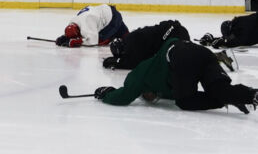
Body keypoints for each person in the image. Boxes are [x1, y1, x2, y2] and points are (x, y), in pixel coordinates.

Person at [94, 37, 258, 113]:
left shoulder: (140, 74)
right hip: (203, 53)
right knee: (220, 90)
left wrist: (106, 94)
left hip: (181, 56)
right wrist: (229, 97)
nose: (153, 98)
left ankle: (226, 99)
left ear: (144, 91)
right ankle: (251, 95)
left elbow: (123, 96)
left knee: (185, 101)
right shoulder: (165, 90)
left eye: (148, 97)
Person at [103, 20, 196, 70]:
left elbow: (133, 63)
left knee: (182, 58)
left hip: (173, 35)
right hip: (175, 30)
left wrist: (117, 61)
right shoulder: (131, 38)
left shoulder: (131, 42)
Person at [55, 4, 128, 47]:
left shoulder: (86, 23)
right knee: (127, 36)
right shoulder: (74, 21)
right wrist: (64, 37)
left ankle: (113, 35)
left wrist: (77, 42)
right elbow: (71, 31)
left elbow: (93, 42)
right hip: (108, 12)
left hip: (113, 19)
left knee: (100, 40)